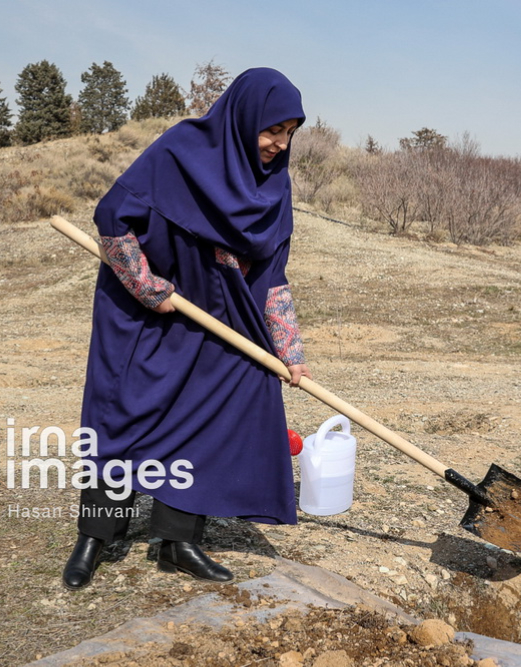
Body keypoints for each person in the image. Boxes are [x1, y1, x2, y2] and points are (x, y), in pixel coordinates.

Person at [62, 68, 310, 590]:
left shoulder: (274, 186)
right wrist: (145, 285)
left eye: (289, 132)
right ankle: (97, 535)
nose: (278, 144)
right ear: (244, 118)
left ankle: (178, 541)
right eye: (272, 130)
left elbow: (272, 274)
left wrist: (288, 349)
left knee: (223, 404)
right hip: (148, 309)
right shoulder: (181, 150)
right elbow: (112, 216)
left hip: (217, 316)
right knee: (122, 412)